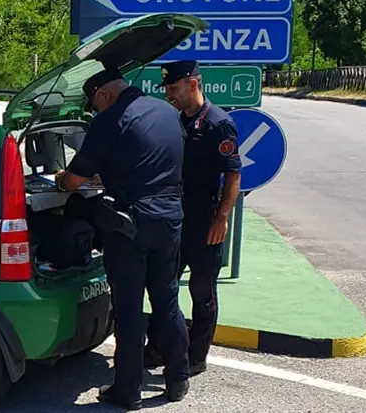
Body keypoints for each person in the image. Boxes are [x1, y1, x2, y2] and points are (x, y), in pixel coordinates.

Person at [54, 67, 191, 409]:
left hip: (130, 224)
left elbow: (74, 181)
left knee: (129, 308)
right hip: (170, 218)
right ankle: (178, 379)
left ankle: (127, 390)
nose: (95, 110)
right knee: (167, 300)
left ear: (104, 94)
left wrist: (59, 178)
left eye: (94, 104)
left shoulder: (110, 119)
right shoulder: (167, 112)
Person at [144, 60, 242, 376]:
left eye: (173, 88)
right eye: (167, 89)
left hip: (204, 222)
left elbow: (233, 175)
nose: (169, 95)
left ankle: (196, 355)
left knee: (202, 292)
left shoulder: (218, 124)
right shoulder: (175, 122)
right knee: (163, 287)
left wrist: (222, 218)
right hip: (174, 219)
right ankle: (158, 348)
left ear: (193, 84)